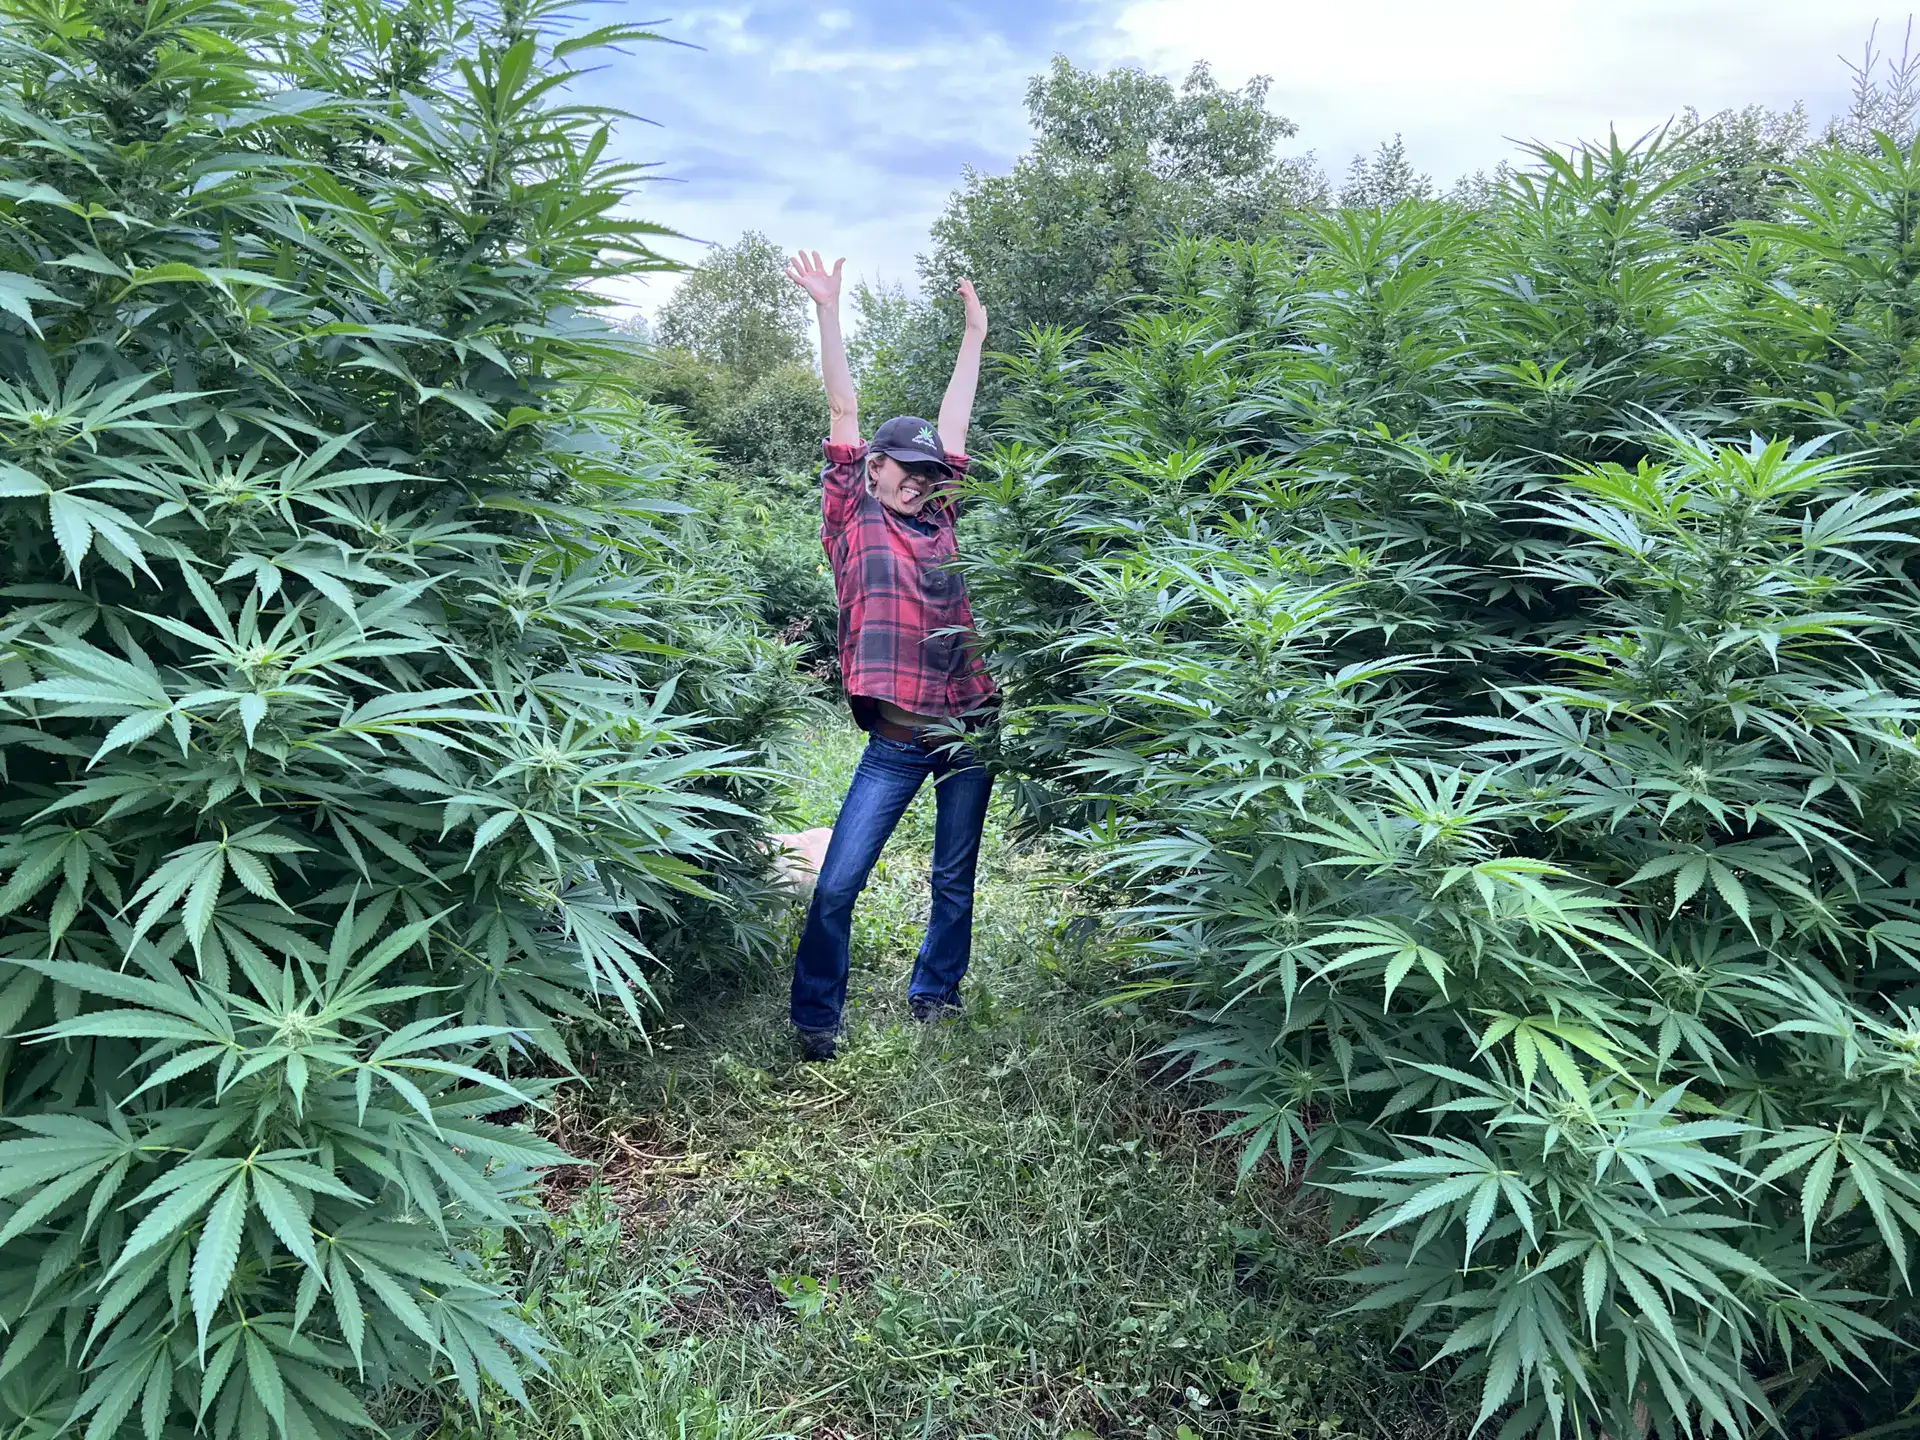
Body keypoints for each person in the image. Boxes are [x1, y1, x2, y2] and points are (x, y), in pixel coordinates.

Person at [782, 250, 997, 1062]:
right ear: (872, 466)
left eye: (927, 474)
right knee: (837, 883)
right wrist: (827, 311)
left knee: (953, 876)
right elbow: (841, 402)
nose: (917, 482)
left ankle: (935, 997)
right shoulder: (853, 516)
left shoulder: (941, 517)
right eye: (905, 470)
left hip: (973, 727)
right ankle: (816, 1017)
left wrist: (972, 337)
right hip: (899, 740)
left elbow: (957, 427)